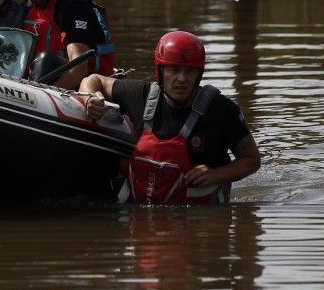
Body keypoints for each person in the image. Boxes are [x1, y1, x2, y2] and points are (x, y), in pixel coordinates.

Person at [80, 30, 261, 204]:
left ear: (199, 74)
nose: (182, 79)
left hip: (200, 224)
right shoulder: (140, 95)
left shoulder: (222, 110)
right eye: (173, 70)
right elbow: (94, 79)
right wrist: (91, 97)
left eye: (189, 71)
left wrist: (216, 174)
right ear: (160, 71)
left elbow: (252, 160)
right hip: (141, 220)